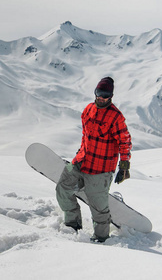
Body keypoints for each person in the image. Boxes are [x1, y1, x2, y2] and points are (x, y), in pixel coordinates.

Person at [56, 77, 132, 243]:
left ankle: (101, 238)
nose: (101, 98)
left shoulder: (116, 117)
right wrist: (79, 153)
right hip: (81, 160)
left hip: (101, 168)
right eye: (99, 94)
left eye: (105, 95)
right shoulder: (88, 109)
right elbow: (85, 135)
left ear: (111, 96)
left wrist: (124, 167)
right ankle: (72, 224)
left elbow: (125, 142)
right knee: (62, 188)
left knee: (98, 207)